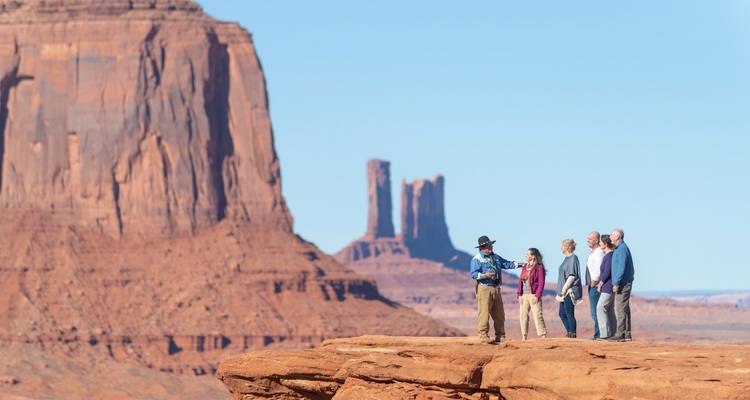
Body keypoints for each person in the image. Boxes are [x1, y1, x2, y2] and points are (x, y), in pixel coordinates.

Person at [470, 235, 519, 344]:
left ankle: (500, 336)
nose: (491, 247)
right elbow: (473, 274)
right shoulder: (477, 259)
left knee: (499, 313)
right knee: (484, 312)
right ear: (483, 247)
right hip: (484, 288)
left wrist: (523, 265)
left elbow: (506, 264)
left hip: (496, 288)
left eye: (491, 245)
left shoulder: (495, 257)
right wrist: (485, 275)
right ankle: (483, 336)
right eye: (489, 245)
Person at [609, 228, 635, 342]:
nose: (610, 237)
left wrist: (616, 282)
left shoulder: (622, 249)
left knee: (620, 309)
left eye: (612, 235)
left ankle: (620, 334)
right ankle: (626, 333)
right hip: (623, 283)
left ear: (618, 237)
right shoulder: (619, 249)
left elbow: (621, 267)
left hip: (622, 284)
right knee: (624, 309)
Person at [516, 248, 547, 340]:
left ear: (533, 256)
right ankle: (524, 335)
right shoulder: (525, 266)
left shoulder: (539, 267)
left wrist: (537, 295)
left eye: (528, 254)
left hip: (533, 295)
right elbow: (520, 281)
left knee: (537, 315)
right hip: (524, 295)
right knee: (523, 315)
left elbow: (541, 283)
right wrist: (519, 294)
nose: (526, 256)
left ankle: (543, 335)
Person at [556, 239, 582, 338]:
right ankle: (569, 332)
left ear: (567, 246)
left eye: (562, 245)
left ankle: (572, 333)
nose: (561, 247)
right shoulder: (566, 259)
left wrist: (564, 289)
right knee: (562, 313)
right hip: (564, 291)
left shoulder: (573, 258)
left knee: (569, 312)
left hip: (569, 290)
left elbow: (572, 276)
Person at [596, 235, 617, 339]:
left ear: (605, 244)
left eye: (600, 242)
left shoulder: (608, 256)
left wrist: (600, 282)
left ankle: (604, 334)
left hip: (607, 286)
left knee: (600, 308)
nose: (599, 244)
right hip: (609, 286)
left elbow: (607, 271)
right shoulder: (610, 255)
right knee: (609, 310)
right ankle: (613, 334)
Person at [585, 231, 605, 340]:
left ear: (597, 240)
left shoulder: (598, 253)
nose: (587, 240)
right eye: (588, 238)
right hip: (592, 286)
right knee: (594, 313)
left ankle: (598, 335)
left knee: (596, 312)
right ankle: (599, 334)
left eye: (590, 238)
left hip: (595, 286)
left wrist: (594, 282)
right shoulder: (593, 252)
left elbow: (598, 270)